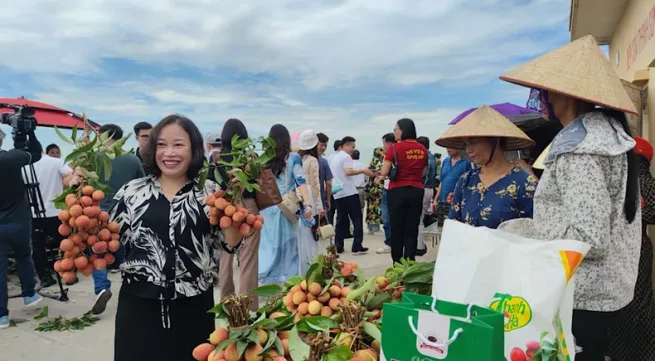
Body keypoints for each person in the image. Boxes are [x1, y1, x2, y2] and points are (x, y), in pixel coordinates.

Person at [496, 35, 641, 361]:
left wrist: (522, 234)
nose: (542, 97)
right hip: (606, 290)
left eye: (546, 90)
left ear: (565, 94)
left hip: (581, 295)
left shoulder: (580, 146)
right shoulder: (608, 132)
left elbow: (589, 238)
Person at [104, 115, 230, 361]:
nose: (169, 153)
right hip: (138, 305)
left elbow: (228, 244)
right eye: (162, 145)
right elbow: (107, 242)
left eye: (178, 144)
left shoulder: (210, 193)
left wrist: (237, 217)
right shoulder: (132, 192)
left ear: (193, 148)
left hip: (193, 305)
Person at [435, 105, 537, 229]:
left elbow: (533, 231)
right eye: (466, 144)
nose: (468, 150)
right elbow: (455, 223)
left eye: (473, 141)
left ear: (495, 140)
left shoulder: (525, 183)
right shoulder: (465, 181)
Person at [88, 124, 145, 315]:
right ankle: (130, 289)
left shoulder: (93, 157)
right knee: (125, 253)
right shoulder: (132, 160)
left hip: (98, 213)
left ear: (102, 136)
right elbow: (142, 185)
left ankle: (102, 287)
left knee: (99, 253)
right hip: (127, 213)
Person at [607, 136, 655, 361]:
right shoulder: (637, 183)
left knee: (624, 303)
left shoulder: (632, 182)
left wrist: (627, 217)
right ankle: (641, 353)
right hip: (638, 249)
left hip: (625, 250)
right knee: (639, 303)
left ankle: (623, 353)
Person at [0, 128, 44, 329]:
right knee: (24, 256)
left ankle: (2, 316)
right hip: (18, 222)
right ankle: (29, 294)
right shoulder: (10, 159)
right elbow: (35, 153)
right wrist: (29, 133)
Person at [216, 118, 261, 311]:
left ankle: (227, 302)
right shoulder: (250, 157)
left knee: (225, 255)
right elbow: (258, 182)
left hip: (225, 208)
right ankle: (248, 307)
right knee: (248, 259)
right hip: (248, 207)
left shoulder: (217, 158)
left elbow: (214, 184)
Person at [258, 124, 312, 285]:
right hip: (286, 207)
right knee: (288, 247)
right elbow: (300, 181)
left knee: (269, 246)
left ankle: (267, 279)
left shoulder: (263, 159)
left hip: (267, 208)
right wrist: (307, 204)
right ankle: (288, 279)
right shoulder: (293, 158)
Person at [379, 119, 427, 264]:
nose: (394, 132)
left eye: (396, 129)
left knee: (397, 227)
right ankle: (410, 261)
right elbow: (423, 172)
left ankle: (397, 262)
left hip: (397, 190)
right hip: (417, 190)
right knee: (412, 227)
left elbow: (384, 171)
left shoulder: (394, 148)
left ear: (403, 130)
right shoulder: (422, 149)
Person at [28, 149, 74, 288]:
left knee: (38, 247)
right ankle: (68, 274)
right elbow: (69, 175)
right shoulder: (56, 162)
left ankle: (45, 277)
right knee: (65, 245)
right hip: (57, 212)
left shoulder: (24, 165)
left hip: (34, 214)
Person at [329, 136, 374, 254]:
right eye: (352, 146)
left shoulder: (334, 158)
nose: (353, 149)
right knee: (357, 218)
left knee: (340, 219)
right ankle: (357, 244)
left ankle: (338, 245)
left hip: (338, 192)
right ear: (345, 145)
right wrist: (363, 170)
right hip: (349, 191)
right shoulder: (346, 157)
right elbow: (348, 172)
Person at [297, 130, 324, 271]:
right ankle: (312, 264)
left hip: (299, 194)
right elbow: (315, 185)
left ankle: (302, 264)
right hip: (310, 196)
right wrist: (319, 206)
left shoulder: (299, 158)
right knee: (312, 230)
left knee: (302, 233)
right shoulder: (313, 160)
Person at [434, 147, 471, 224]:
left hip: (456, 202)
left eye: (451, 147)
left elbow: (468, 184)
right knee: (441, 225)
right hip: (443, 201)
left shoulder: (466, 163)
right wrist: (436, 199)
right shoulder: (445, 161)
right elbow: (442, 181)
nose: (448, 149)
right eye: (447, 147)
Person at [415, 136, 438, 256]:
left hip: (422, 188)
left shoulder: (424, 157)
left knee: (418, 219)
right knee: (421, 217)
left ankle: (419, 246)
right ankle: (419, 244)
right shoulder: (433, 157)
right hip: (429, 189)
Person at [376, 133, 396, 254]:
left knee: (390, 218)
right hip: (387, 188)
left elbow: (385, 171)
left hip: (394, 189)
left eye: (384, 143)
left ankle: (393, 243)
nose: (383, 146)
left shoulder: (394, 154)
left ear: (389, 143)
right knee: (387, 218)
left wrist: (381, 175)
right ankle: (390, 242)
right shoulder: (388, 155)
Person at [365, 145, 384, 236]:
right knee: (379, 207)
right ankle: (377, 227)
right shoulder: (381, 162)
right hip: (380, 187)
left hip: (372, 188)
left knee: (371, 208)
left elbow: (369, 175)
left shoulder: (372, 161)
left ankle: (371, 228)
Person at [316, 133, 333, 222]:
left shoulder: (302, 159)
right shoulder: (323, 162)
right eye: (321, 145)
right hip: (320, 199)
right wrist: (328, 200)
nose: (323, 148)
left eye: (325, 145)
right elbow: (329, 183)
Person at [351, 150, 367, 215]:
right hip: (361, 189)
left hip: (350, 189)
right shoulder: (363, 166)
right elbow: (366, 178)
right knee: (361, 208)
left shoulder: (349, 165)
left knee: (350, 208)